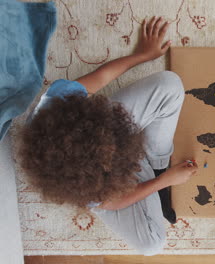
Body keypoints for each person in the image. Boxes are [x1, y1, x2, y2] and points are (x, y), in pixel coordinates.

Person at [17, 16, 198, 255]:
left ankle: (158, 163)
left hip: (102, 127)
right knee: (151, 245)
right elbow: (112, 202)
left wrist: (142, 55)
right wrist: (163, 182)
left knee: (170, 84)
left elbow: (102, 77)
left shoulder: (58, 101)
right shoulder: (78, 184)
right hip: (100, 183)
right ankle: (155, 173)